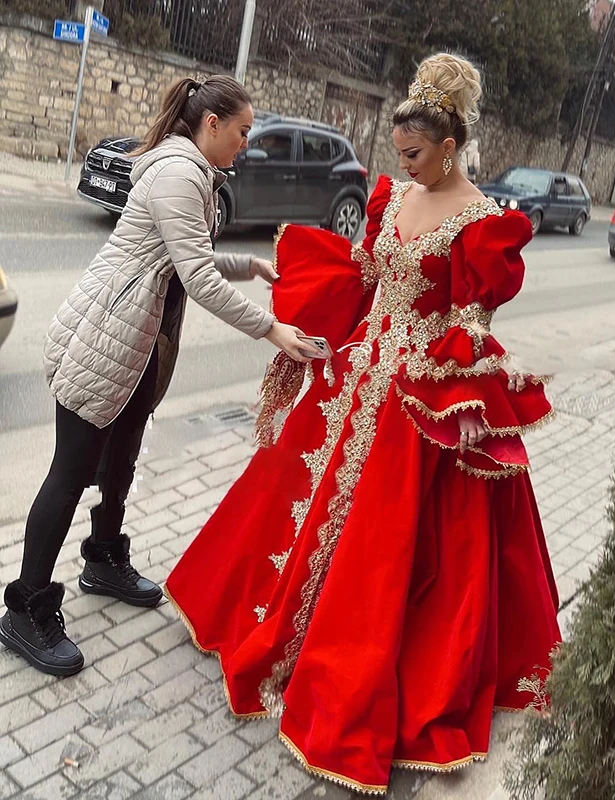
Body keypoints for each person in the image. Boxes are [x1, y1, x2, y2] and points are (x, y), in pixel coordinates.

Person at [166, 54, 561, 794]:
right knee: (288, 498)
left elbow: (471, 323)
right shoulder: (393, 198)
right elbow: (366, 272)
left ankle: (347, 680)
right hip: (354, 379)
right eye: (399, 155)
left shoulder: (483, 225)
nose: (404, 167)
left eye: (414, 155)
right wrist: (308, 297)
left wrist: (467, 396)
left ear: (449, 146)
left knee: (387, 554)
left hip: (414, 402)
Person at [0, 75, 311, 678]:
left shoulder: (194, 172)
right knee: (69, 474)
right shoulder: (180, 173)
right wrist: (272, 329)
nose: (246, 144)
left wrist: (248, 265)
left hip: (138, 343)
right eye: (243, 132)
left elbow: (180, 253)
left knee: (122, 458)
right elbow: (194, 275)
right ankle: (24, 609)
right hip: (104, 337)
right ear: (212, 123)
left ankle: (104, 557)